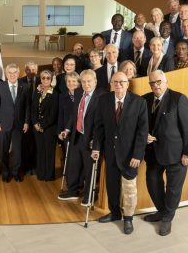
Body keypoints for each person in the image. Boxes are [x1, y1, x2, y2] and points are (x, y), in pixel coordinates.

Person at [92, 71, 148, 235]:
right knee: (112, 185)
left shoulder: (139, 102)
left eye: (122, 82)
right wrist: (96, 147)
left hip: (131, 156)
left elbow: (142, 132)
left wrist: (138, 155)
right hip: (110, 154)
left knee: (129, 189)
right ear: (111, 84)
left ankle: (128, 218)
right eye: (115, 82)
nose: (118, 85)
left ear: (127, 83)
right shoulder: (104, 100)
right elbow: (99, 127)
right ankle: (115, 212)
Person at [143, 70, 188, 236]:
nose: (155, 85)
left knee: (173, 189)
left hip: (175, 154)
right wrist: (143, 136)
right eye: (152, 83)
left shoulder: (179, 99)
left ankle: (167, 218)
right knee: (152, 182)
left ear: (165, 81)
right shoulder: (145, 99)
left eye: (158, 82)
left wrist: (187, 153)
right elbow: (141, 124)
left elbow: (187, 129)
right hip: (152, 153)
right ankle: (162, 211)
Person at [58, 69, 106, 203]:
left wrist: (96, 141)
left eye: (89, 81)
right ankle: (72, 191)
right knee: (73, 165)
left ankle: (89, 195)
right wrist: (67, 129)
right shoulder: (79, 92)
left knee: (89, 169)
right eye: (83, 81)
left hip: (90, 138)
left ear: (95, 81)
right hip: (76, 135)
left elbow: (101, 122)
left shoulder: (102, 96)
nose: (86, 84)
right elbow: (75, 114)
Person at [0, 63, 29, 183]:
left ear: (18, 74)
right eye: (10, 73)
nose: (12, 75)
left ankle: (16, 172)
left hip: (19, 124)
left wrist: (26, 122)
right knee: (4, 150)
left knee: (18, 151)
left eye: (15, 73)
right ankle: (5, 172)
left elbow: (27, 106)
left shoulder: (24, 86)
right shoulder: (0, 86)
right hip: (4, 124)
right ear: (6, 74)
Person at [31, 70, 58, 181]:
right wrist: (35, 123)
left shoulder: (55, 93)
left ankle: (49, 175)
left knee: (49, 151)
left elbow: (53, 113)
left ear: (51, 80)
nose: (45, 80)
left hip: (49, 128)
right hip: (37, 127)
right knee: (40, 151)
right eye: (43, 78)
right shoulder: (37, 92)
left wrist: (43, 125)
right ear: (40, 79)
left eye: (48, 78)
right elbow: (33, 109)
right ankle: (41, 174)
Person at [57, 72, 81, 161]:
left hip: (80, 130)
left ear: (78, 83)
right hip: (66, 130)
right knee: (68, 156)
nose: (71, 83)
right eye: (69, 81)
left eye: (74, 81)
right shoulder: (62, 96)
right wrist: (59, 131)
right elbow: (60, 114)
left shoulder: (83, 94)